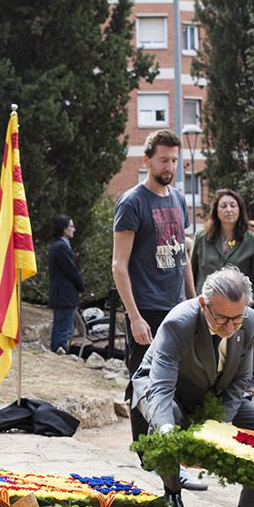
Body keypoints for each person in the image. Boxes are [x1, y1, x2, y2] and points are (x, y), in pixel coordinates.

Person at [130, 268, 254, 507]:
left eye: (236, 319)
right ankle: (172, 495)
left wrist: (218, 425)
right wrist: (167, 429)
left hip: (213, 391)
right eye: (222, 318)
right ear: (203, 304)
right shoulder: (178, 323)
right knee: (171, 420)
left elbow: (239, 381)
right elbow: (161, 386)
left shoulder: (247, 321)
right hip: (163, 388)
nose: (230, 327)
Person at [112, 129, 194, 374]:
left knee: (178, 380)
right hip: (146, 309)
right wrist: (135, 317)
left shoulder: (179, 200)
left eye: (174, 160)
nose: (170, 167)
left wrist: (193, 301)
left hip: (178, 308)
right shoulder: (132, 203)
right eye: (164, 160)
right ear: (146, 160)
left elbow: (183, 256)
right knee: (143, 382)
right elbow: (118, 265)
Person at [190, 188, 254, 388]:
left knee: (232, 363)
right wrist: (191, 303)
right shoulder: (201, 237)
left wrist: (247, 306)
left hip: (236, 315)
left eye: (233, 205)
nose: (228, 210)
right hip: (205, 312)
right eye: (223, 205)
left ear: (240, 210)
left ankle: (237, 394)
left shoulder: (252, 241)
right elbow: (192, 273)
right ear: (216, 210)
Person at [48, 213, 85, 353]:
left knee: (60, 323)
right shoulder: (61, 247)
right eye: (71, 226)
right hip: (64, 292)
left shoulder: (61, 246)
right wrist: (81, 287)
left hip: (62, 292)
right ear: (64, 229)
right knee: (64, 325)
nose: (74, 229)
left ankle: (57, 348)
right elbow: (71, 271)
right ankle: (60, 349)